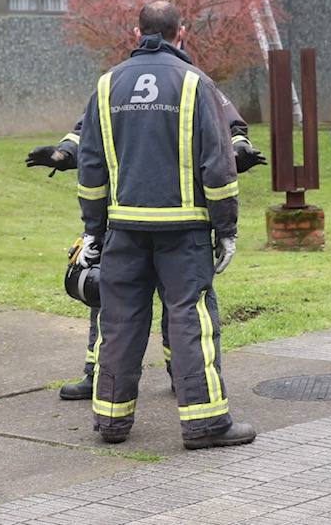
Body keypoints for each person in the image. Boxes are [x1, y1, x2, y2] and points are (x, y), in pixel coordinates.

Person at [77, 0, 255, 450]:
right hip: (184, 233)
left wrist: (93, 231)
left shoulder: (105, 86)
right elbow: (218, 168)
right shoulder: (197, 85)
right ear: (182, 32)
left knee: (118, 321)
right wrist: (226, 229)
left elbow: (91, 167)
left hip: (124, 230)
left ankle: (112, 421)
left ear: (137, 34)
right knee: (190, 322)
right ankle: (206, 424)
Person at [29, 86, 265, 402]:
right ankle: (99, 374)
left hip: (159, 218)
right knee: (114, 299)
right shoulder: (118, 85)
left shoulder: (193, 84)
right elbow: (86, 133)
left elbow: (231, 129)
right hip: (133, 217)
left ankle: (177, 376)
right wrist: (63, 154)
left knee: (157, 303)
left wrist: (237, 151)